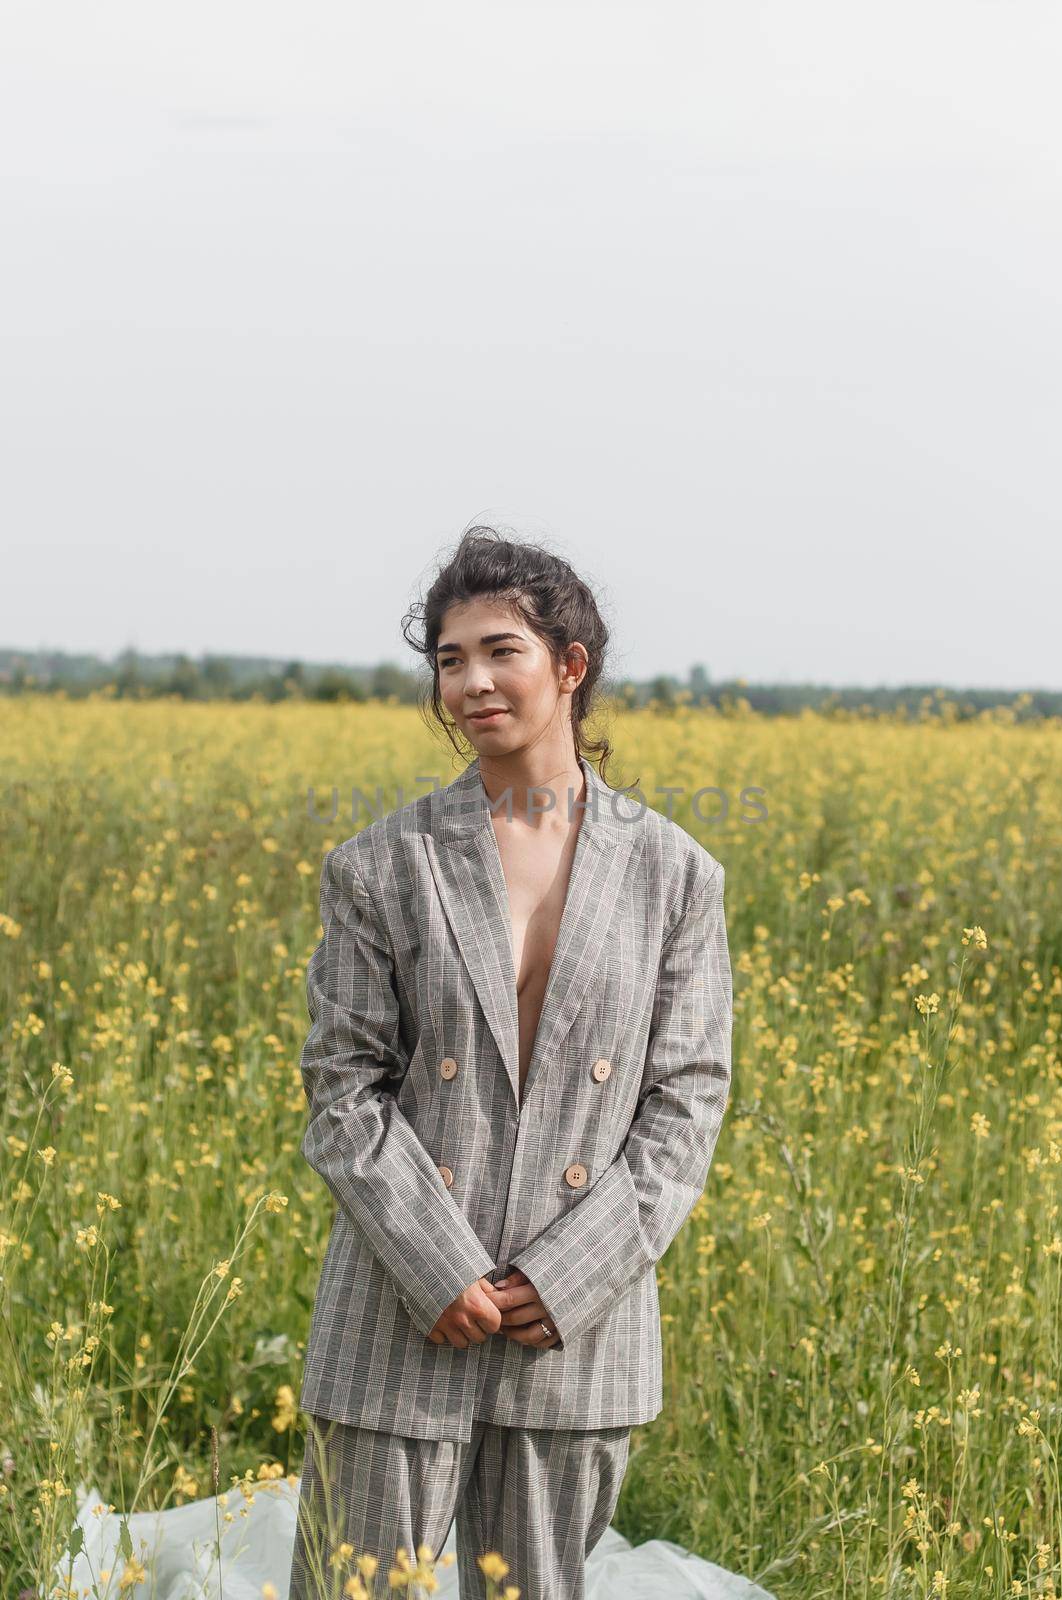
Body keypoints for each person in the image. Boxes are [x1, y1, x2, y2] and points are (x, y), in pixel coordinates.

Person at [288, 526, 733, 1599]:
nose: (470, 682)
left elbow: (685, 1100)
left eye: (499, 651)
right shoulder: (379, 865)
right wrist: (434, 1263)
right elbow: (341, 1089)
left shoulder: (676, 874)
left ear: (568, 665)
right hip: (399, 1312)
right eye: (447, 660)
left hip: (567, 1334)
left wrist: (565, 1275)